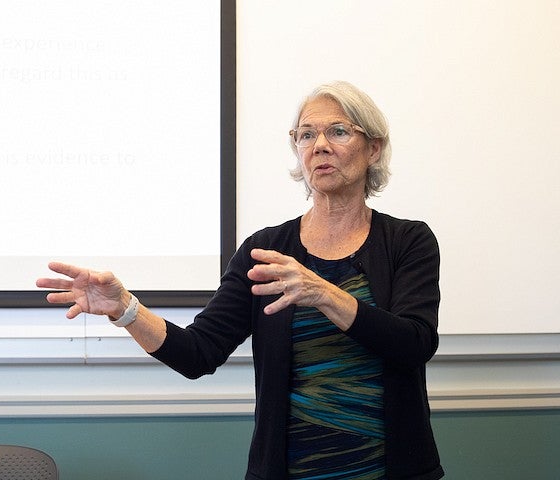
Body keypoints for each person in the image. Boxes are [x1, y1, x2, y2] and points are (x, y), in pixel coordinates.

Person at [36, 81, 444, 480]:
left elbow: (414, 343)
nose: (319, 145)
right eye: (305, 135)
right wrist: (125, 308)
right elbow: (198, 353)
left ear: (373, 148)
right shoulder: (266, 248)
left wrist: (323, 293)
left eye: (338, 131)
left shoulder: (407, 241)